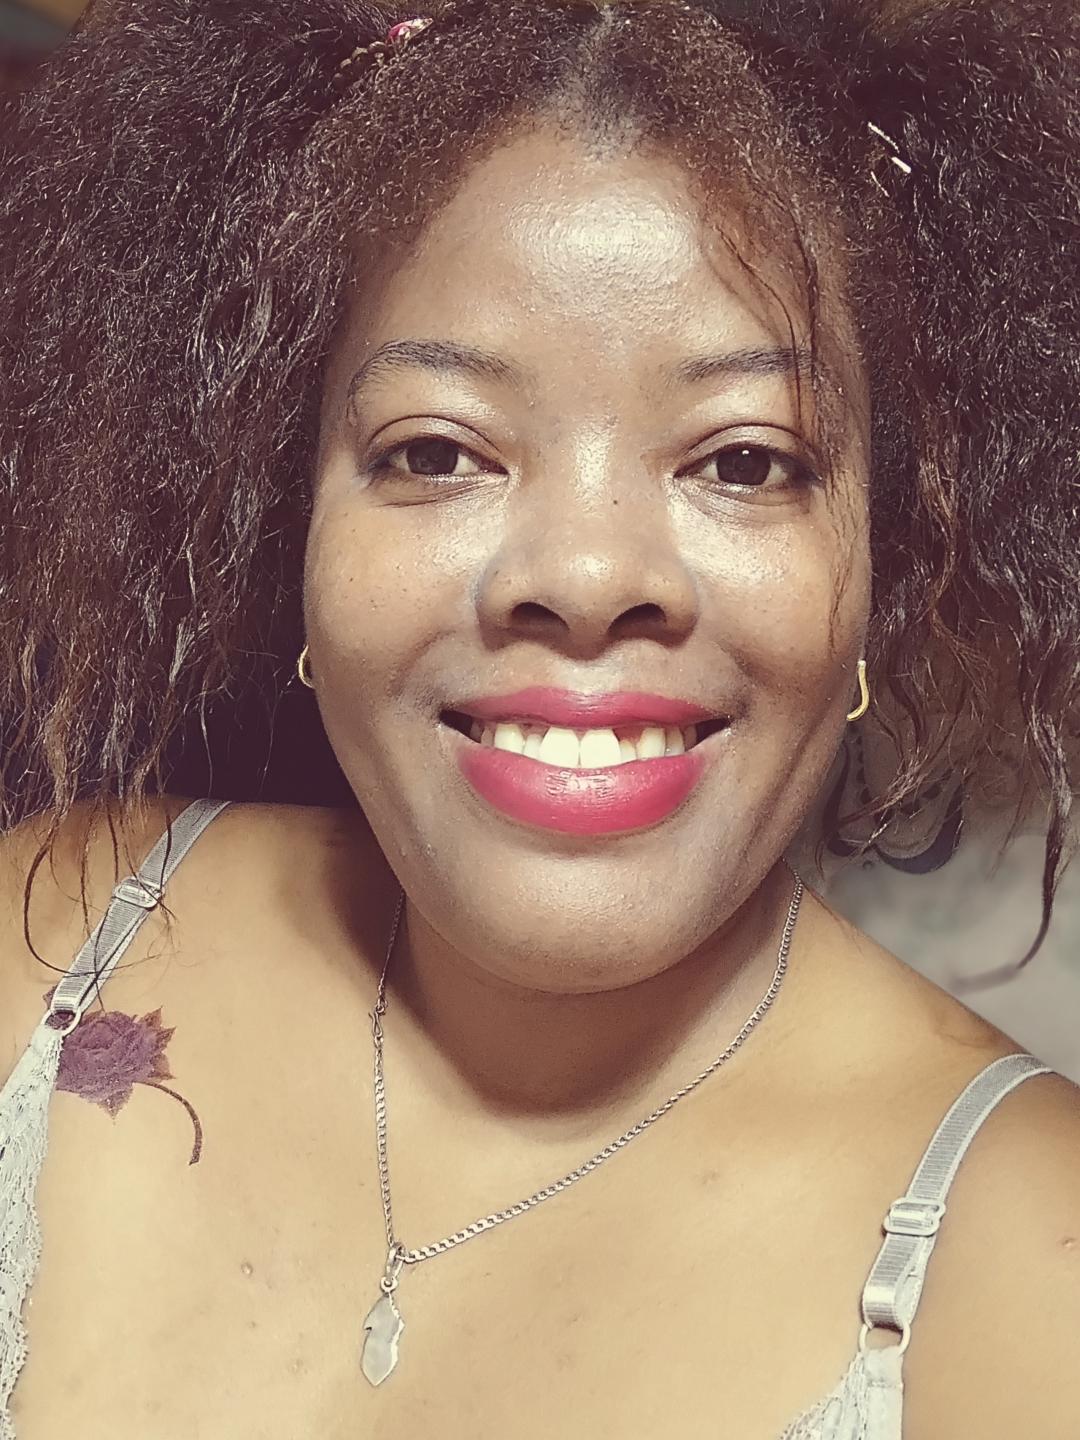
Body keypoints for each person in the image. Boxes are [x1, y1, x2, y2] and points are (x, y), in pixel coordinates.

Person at [0, 0, 1078, 1434]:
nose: (584, 577)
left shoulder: (1031, 1274)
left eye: (745, 463)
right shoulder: (54, 940)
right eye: (436, 451)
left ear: (884, 562)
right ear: (298, 524)